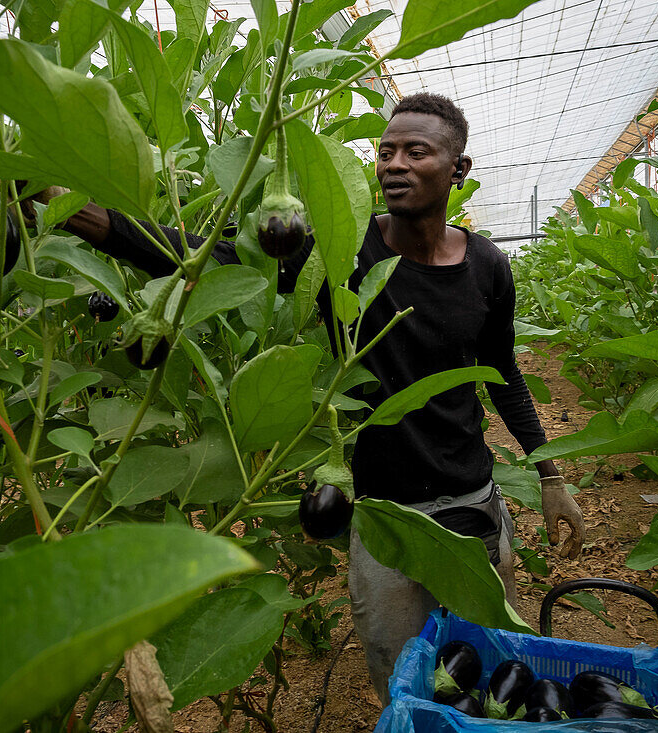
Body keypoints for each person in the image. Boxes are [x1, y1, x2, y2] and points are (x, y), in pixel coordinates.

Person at [51, 92, 584, 704]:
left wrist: (550, 475)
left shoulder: (487, 265)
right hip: (382, 513)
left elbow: (502, 374)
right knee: (402, 677)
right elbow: (207, 257)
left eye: (417, 151)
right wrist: (73, 212)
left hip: (471, 501)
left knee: (494, 674)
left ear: (457, 171)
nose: (395, 164)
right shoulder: (339, 249)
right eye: (385, 152)